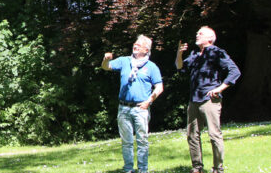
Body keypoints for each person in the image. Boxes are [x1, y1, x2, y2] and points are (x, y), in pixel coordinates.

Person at [176, 26, 241, 173]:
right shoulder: (194, 54)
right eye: (197, 32)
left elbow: (234, 71)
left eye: (201, 33)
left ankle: (218, 168)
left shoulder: (217, 52)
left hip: (210, 99)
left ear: (210, 39)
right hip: (194, 100)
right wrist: (179, 53)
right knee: (192, 135)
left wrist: (219, 89)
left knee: (214, 135)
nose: (197, 35)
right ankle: (197, 167)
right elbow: (180, 67)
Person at [102, 35, 164, 173]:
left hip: (141, 108)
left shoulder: (151, 67)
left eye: (139, 45)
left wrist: (149, 101)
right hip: (124, 108)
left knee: (142, 141)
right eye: (135, 44)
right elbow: (106, 67)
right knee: (126, 142)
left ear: (146, 50)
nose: (135, 46)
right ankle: (128, 169)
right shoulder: (125, 61)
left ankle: (143, 170)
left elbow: (159, 87)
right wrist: (106, 59)